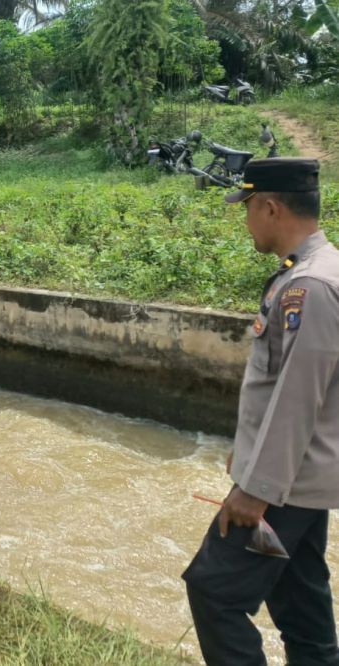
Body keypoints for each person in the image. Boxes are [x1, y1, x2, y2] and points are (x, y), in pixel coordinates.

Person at [183, 158, 339, 666]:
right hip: (303, 478)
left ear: (271, 207)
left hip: (284, 487)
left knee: (214, 591)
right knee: (301, 605)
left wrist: (256, 489)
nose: (245, 218)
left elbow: (298, 396)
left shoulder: (308, 288)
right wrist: (246, 453)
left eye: (247, 207)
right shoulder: (314, 273)